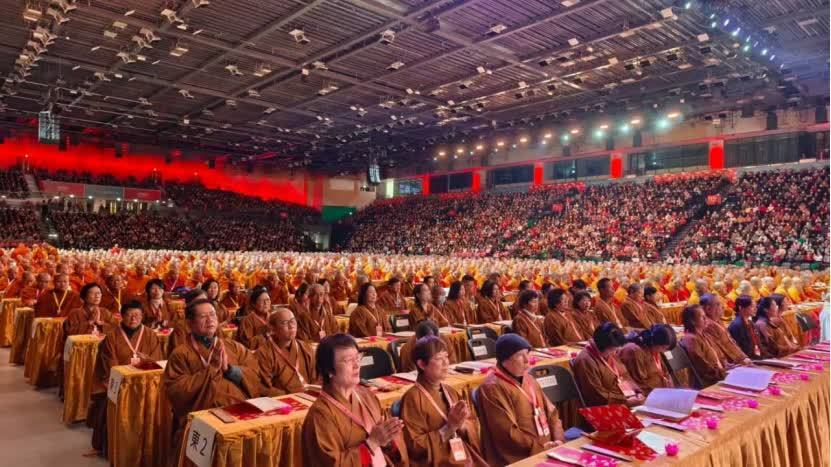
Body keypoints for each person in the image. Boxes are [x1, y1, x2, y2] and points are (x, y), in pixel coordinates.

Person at [163, 298, 264, 459]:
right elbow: (176, 391)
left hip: (239, 413)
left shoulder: (233, 346)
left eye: (212, 314)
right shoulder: (180, 354)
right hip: (204, 415)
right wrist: (210, 371)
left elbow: (255, 375)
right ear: (190, 323)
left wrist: (230, 370)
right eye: (203, 316)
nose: (210, 319)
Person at [301, 333, 408, 466]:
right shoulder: (320, 415)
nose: (356, 365)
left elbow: (391, 443)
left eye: (357, 358)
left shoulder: (367, 395)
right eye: (348, 360)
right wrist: (371, 443)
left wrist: (388, 441)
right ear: (329, 370)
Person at [87, 300, 162, 453]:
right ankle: (115, 446)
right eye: (129, 315)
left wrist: (148, 360)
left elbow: (158, 360)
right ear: (121, 316)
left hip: (146, 381)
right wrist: (125, 379)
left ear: (142, 316)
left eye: (137, 315)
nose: (133, 319)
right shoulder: (112, 336)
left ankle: (146, 445)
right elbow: (110, 364)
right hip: (122, 383)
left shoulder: (150, 334)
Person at [477, 334, 565, 465]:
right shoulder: (492, 388)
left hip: (549, 447)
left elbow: (552, 413)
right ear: (504, 360)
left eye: (527, 353)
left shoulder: (529, 379)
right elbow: (507, 433)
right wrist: (539, 448)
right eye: (519, 355)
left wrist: (559, 441)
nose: (526, 360)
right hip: (522, 456)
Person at [400, 335, 486, 466]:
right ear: (422, 364)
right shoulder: (412, 398)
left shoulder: (450, 391)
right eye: (439, 358)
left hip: (462, 455)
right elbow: (414, 446)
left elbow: (472, 423)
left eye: (446, 357)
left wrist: (462, 425)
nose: (446, 363)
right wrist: (449, 428)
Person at [572, 322, 644, 407]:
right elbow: (597, 396)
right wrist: (626, 402)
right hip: (607, 407)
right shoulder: (585, 361)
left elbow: (625, 375)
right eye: (612, 349)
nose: (615, 352)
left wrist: (636, 391)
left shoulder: (610, 352)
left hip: (625, 398)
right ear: (602, 345)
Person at [254, 308, 317, 395]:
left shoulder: (306, 347)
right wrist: (288, 395)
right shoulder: (263, 353)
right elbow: (263, 388)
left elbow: (316, 377)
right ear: (273, 329)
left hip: (308, 397)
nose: (291, 326)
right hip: (283, 402)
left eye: (293, 321)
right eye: (285, 323)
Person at [619, 324, 676, 395]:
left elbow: (664, 371)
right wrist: (661, 393)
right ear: (655, 342)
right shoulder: (634, 351)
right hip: (648, 395)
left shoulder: (655, 349)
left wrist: (668, 380)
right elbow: (639, 383)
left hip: (660, 391)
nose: (664, 351)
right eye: (664, 348)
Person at [680, 305, 729, 387]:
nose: (706, 320)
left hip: (720, 374)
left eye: (705, 316)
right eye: (702, 317)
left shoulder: (704, 335)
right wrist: (723, 373)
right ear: (692, 321)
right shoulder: (691, 339)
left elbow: (717, 356)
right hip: (709, 382)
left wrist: (727, 366)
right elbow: (703, 367)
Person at [701, 294, 750, 365]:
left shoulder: (718, 321)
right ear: (708, 309)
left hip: (737, 360)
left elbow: (731, 342)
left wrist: (743, 357)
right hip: (730, 365)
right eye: (718, 304)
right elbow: (721, 349)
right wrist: (741, 360)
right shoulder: (708, 325)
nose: (723, 307)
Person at [728, 295, 768, 360]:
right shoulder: (736, 325)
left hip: (758, 357)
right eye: (752, 306)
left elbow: (758, 344)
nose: (755, 309)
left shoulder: (751, 323)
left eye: (755, 306)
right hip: (749, 360)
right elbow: (741, 348)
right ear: (741, 307)